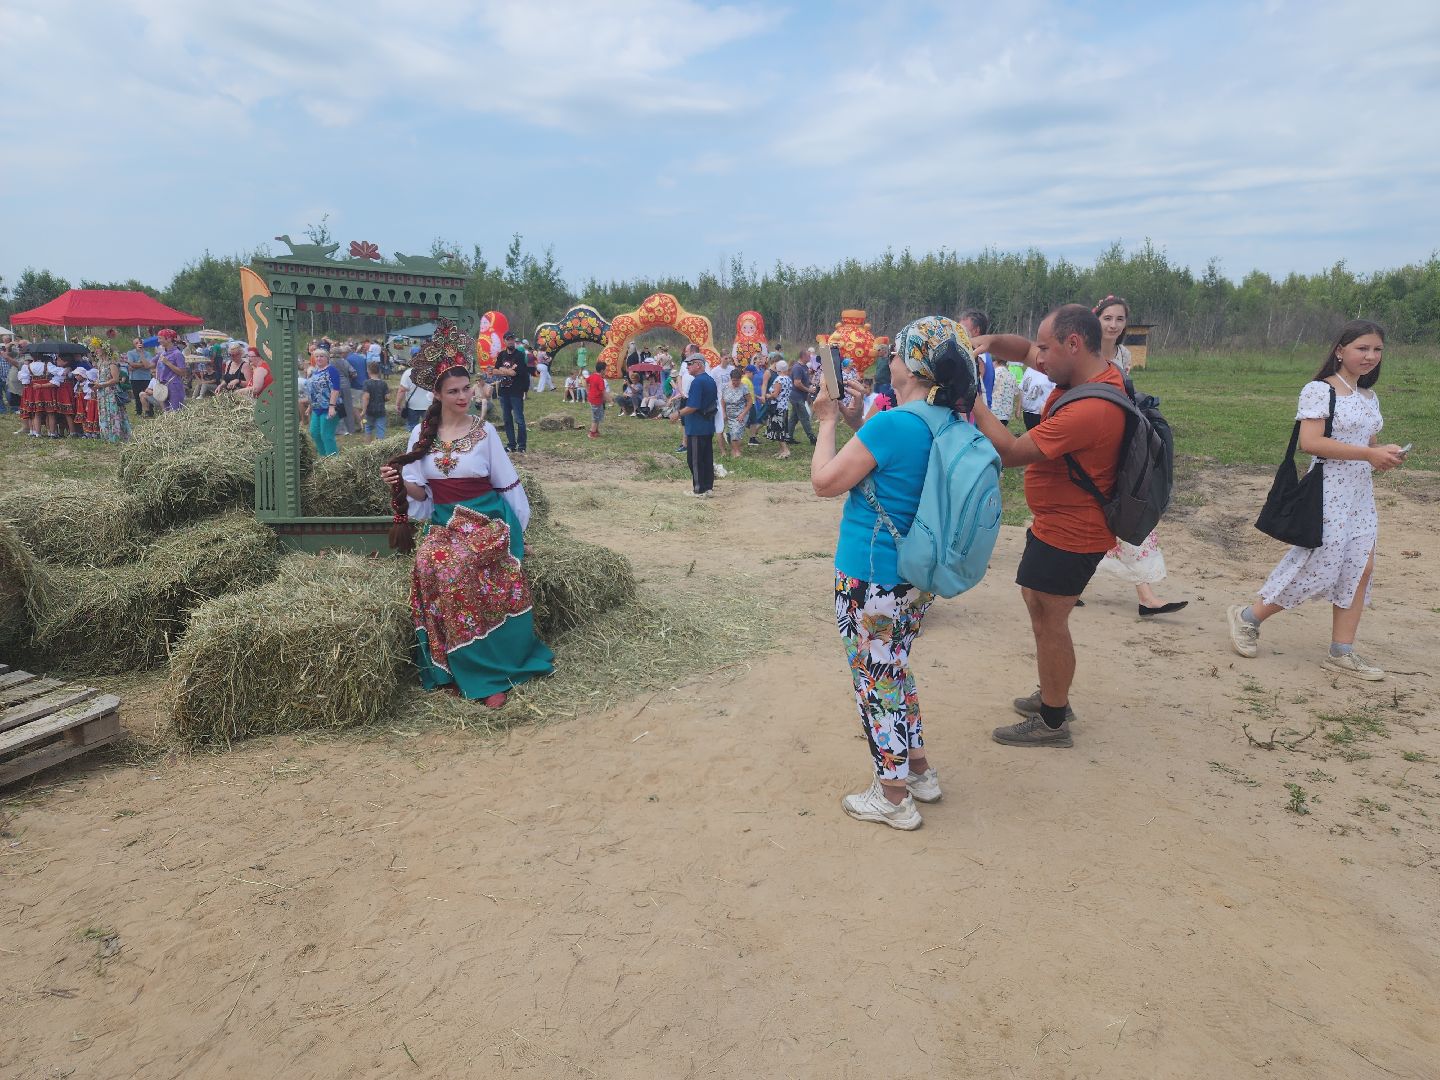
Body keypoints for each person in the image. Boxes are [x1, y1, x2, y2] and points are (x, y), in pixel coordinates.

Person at [810, 316, 979, 830]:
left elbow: (825, 481)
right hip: (915, 576)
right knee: (895, 668)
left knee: (874, 678)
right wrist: (863, 419)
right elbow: (897, 471)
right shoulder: (943, 421)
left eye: (898, 352)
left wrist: (826, 420)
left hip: (870, 573)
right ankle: (919, 771)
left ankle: (892, 794)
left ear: (916, 365)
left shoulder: (893, 424)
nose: (890, 359)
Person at [969, 305, 1129, 749]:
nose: (1037, 357)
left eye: (1046, 347)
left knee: (1051, 618)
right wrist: (990, 343)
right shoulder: (1086, 376)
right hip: (1055, 524)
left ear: (1073, 345)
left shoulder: (1091, 407)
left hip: (1074, 531)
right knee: (1039, 606)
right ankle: (1052, 692)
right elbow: (1022, 351)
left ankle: (1054, 720)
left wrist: (973, 400)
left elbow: (1013, 452)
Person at [380, 319, 554, 709]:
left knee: (457, 567)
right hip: (444, 523)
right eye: (453, 391)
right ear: (437, 395)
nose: (464, 396)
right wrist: (396, 481)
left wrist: (518, 534)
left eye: (467, 388)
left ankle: (489, 670)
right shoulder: (420, 436)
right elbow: (420, 494)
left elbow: (509, 486)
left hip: (488, 522)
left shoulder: (485, 432)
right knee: (428, 562)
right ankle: (450, 666)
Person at [1227, 320, 1405, 680]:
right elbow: (1311, 443)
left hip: (1360, 493)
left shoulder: (1370, 397)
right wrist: (1368, 455)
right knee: (1318, 562)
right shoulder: (1319, 391)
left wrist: (1383, 454)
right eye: (1362, 349)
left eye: (1377, 350)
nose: (1370, 356)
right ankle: (1248, 617)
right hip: (1326, 489)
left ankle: (1342, 651)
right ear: (1340, 350)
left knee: (1361, 566)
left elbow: (1366, 445)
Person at [1090, 294, 1187, 617]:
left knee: (1127, 509)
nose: (1114, 325)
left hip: (1122, 440)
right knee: (1091, 511)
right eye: (1108, 318)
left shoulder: (1124, 354)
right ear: (1096, 320)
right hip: (1090, 439)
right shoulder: (1085, 353)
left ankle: (1146, 594)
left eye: (1119, 319)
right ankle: (1060, 578)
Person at [675, 352, 717, 496]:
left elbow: (693, 406)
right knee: (706, 458)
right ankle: (708, 487)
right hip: (707, 425)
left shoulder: (697, 382)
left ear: (698, 365)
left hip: (697, 426)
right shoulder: (710, 380)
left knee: (695, 460)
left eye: (689, 364)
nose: (687, 367)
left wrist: (678, 413)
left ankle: (699, 489)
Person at [493, 331, 529, 453]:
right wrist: (506, 370)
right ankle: (511, 445)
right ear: (505, 341)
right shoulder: (501, 355)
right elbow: (494, 370)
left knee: (519, 419)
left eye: (512, 339)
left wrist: (502, 370)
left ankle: (522, 446)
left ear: (514, 340)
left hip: (516, 391)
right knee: (507, 420)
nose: (510, 341)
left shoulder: (519, 355)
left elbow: (515, 373)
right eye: (508, 339)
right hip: (504, 392)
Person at [304, 349, 344, 456]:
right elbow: (314, 392)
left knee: (326, 434)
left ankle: (333, 460)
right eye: (317, 356)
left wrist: (332, 406)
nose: (319, 358)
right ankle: (323, 457)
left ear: (327, 358)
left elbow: (336, 389)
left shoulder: (331, 370)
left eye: (322, 356)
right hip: (317, 409)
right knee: (315, 433)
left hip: (329, 407)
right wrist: (310, 406)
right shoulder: (315, 372)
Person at [91, 340, 132, 444]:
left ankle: (117, 436)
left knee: (113, 413)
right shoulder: (100, 363)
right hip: (102, 392)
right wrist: (96, 383)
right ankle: (107, 436)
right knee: (105, 413)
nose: (96, 351)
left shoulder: (111, 363)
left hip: (110, 392)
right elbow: (101, 377)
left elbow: (115, 379)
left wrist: (101, 384)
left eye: (98, 348)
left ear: (105, 349)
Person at [764, 358, 794, 459]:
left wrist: (768, 396)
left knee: (778, 429)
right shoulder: (788, 379)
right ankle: (781, 449)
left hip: (777, 407)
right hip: (784, 406)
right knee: (781, 428)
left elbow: (776, 394)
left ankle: (785, 450)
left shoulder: (779, 379)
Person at [786, 351, 817, 444]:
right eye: (808, 356)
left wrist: (812, 384)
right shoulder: (797, 368)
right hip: (796, 397)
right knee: (804, 417)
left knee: (794, 418)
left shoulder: (805, 367)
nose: (810, 358)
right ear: (803, 356)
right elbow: (797, 383)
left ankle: (788, 437)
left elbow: (806, 380)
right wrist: (809, 390)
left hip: (800, 397)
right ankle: (812, 438)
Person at [721, 367, 752, 458]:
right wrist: (723, 412)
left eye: (737, 381)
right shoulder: (725, 387)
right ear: (731, 379)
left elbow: (750, 402)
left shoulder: (744, 387)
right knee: (734, 432)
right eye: (734, 380)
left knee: (736, 431)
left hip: (741, 413)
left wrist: (743, 414)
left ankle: (736, 451)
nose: (736, 383)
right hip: (729, 414)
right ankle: (735, 450)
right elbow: (723, 400)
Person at [155, 329, 188, 412]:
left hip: (174, 386)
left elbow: (182, 372)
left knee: (175, 412)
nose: (159, 341)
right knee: (166, 412)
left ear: (169, 339)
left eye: (160, 338)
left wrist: (168, 363)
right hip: (163, 386)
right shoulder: (162, 354)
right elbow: (150, 365)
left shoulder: (177, 354)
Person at [396, 351, 433, 427]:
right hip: (428, 404)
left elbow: (402, 390)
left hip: (412, 405)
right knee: (428, 427)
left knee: (412, 427)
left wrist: (398, 404)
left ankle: (414, 438)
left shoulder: (408, 373)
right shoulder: (431, 372)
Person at [359, 361, 389, 442]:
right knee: (381, 430)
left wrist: (363, 410)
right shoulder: (383, 383)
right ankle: (380, 448)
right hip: (381, 410)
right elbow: (387, 397)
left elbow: (366, 397)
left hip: (369, 411)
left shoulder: (367, 383)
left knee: (368, 429)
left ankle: (368, 448)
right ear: (379, 371)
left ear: (368, 371)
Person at [1019, 364, 1055, 430]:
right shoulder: (1029, 369)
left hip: (1040, 413)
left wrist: (1046, 406)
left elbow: (1056, 391)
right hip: (1027, 411)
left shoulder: (1051, 370)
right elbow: (1022, 388)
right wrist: (1019, 408)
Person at [126, 339, 155, 417]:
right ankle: (138, 412)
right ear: (134, 344)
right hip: (135, 378)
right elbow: (131, 364)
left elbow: (148, 365)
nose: (139, 344)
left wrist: (136, 365)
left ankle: (150, 411)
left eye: (140, 343)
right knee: (137, 396)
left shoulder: (148, 353)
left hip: (146, 378)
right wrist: (143, 364)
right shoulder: (130, 353)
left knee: (148, 394)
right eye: (136, 343)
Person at [586, 361, 609, 438]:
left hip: (595, 400)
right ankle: (591, 433)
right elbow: (603, 392)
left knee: (598, 415)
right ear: (602, 370)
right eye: (606, 369)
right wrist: (610, 400)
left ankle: (596, 430)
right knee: (595, 417)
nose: (606, 371)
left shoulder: (592, 376)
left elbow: (585, 381)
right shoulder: (600, 379)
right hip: (596, 401)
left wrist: (588, 391)